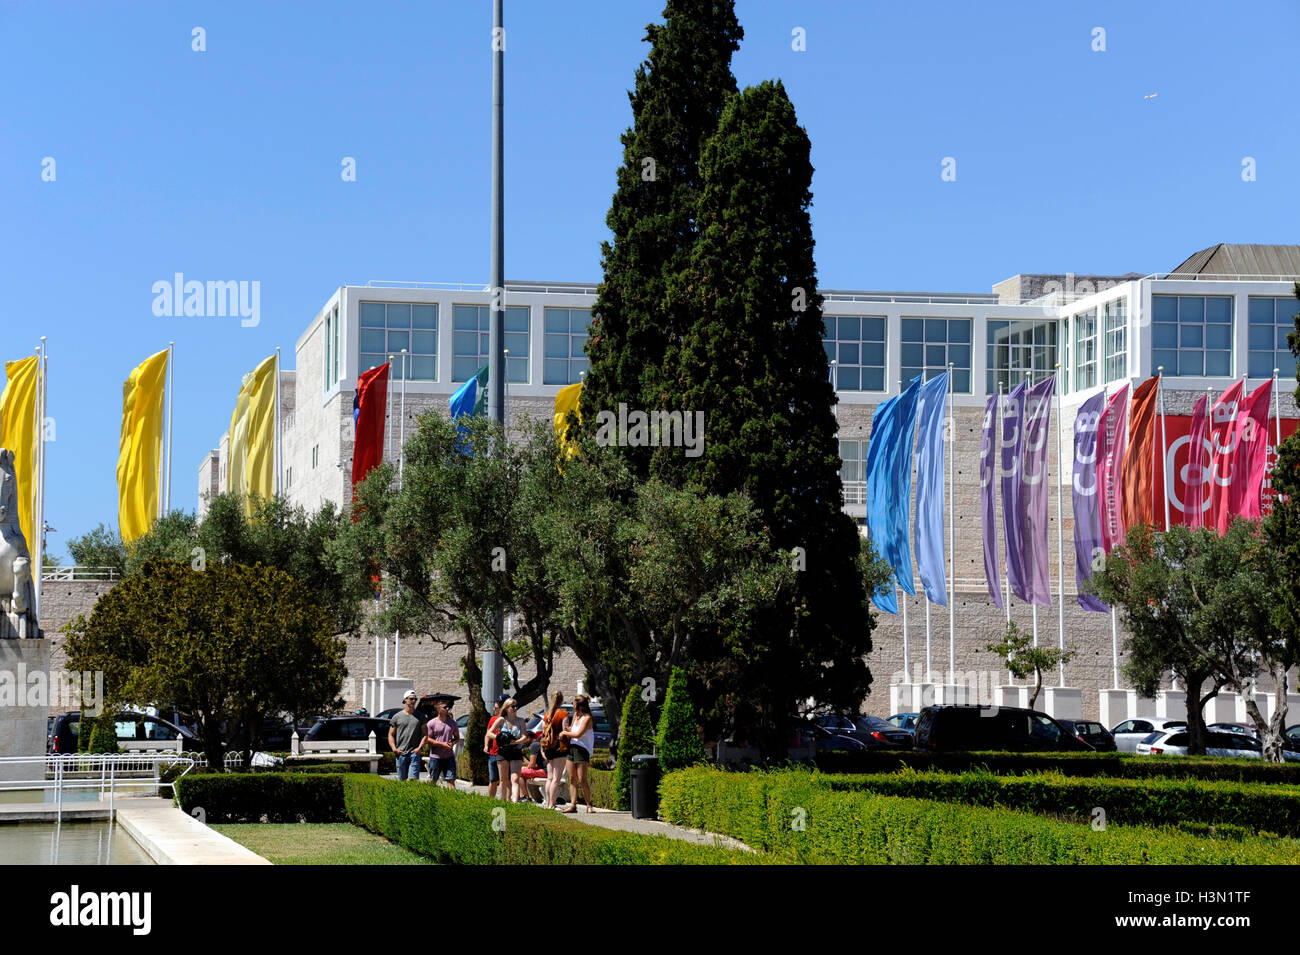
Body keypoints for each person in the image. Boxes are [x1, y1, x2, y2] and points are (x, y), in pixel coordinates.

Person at [487, 697, 529, 802]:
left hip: (515, 750)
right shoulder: (501, 720)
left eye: (516, 706)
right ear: (506, 708)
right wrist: (499, 738)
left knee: (515, 778)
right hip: (503, 751)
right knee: (503, 779)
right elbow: (489, 733)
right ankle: (503, 801)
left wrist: (516, 742)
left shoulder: (521, 720)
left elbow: (525, 736)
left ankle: (514, 802)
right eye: (512, 706)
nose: (515, 708)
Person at [558, 694, 595, 812]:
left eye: (574, 703)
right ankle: (573, 805)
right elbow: (573, 731)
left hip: (582, 749)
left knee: (582, 779)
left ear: (579, 705)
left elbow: (578, 734)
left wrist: (564, 734)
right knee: (572, 778)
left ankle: (589, 805)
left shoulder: (587, 718)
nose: (572, 705)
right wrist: (567, 729)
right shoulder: (576, 715)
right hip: (572, 747)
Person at [388, 691, 427, 781]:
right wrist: (394, 749)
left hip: (414, 753)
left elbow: (425, 734)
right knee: (402, 780)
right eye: (411, 698)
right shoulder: (397, 717)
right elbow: (390, 734)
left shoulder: (421, 716)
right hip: (400, 753)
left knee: (413, 780)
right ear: (405, 700)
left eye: (415, 699)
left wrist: (420, 748)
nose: (413, 701)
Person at [539, 691, 568, 809]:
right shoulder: (563, 714)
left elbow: (543, 733)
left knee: (549, 778)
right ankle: (552, 804)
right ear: (561, 700)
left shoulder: (547, 715)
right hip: (558, 748)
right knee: (556, 779)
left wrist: (543, 749)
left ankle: (547, 803)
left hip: (548, 748)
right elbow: (564, 731)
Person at [425, 698, 460, 788]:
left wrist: (452, 743)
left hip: (449, 756)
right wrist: (441, 744)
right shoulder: (431, 723)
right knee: (433, 781)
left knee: (451, 780)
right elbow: (427, 739)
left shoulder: (453, 723)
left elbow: (457, 738)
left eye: (448, 707)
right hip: (435, 757)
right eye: (445, 707)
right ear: (438, 709)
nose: (447, 709)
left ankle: (452, 800)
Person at [484, 695, 507, 799]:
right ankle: (491, 800)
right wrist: (486, 745)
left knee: (505, 779)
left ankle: (506, 800)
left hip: (504, 754)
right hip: (493, 753)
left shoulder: (509, 720)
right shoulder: (493, 719)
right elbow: (488, 734)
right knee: (493, 780)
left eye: (496, 707)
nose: (494, 709)